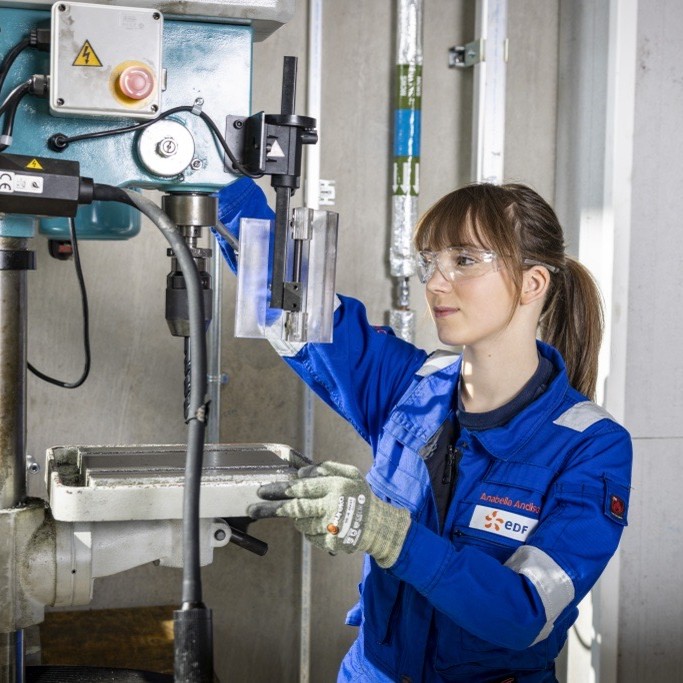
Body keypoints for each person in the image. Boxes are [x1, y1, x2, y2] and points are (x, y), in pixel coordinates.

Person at [215, 178, 633, 683]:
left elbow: (524, 613)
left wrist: (387, 533)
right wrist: (222, 183)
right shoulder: (410, 387)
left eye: (464, 260)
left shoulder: (591, 446)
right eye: (430, 261)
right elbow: (300, 308)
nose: (435, 282)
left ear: (532, 283)